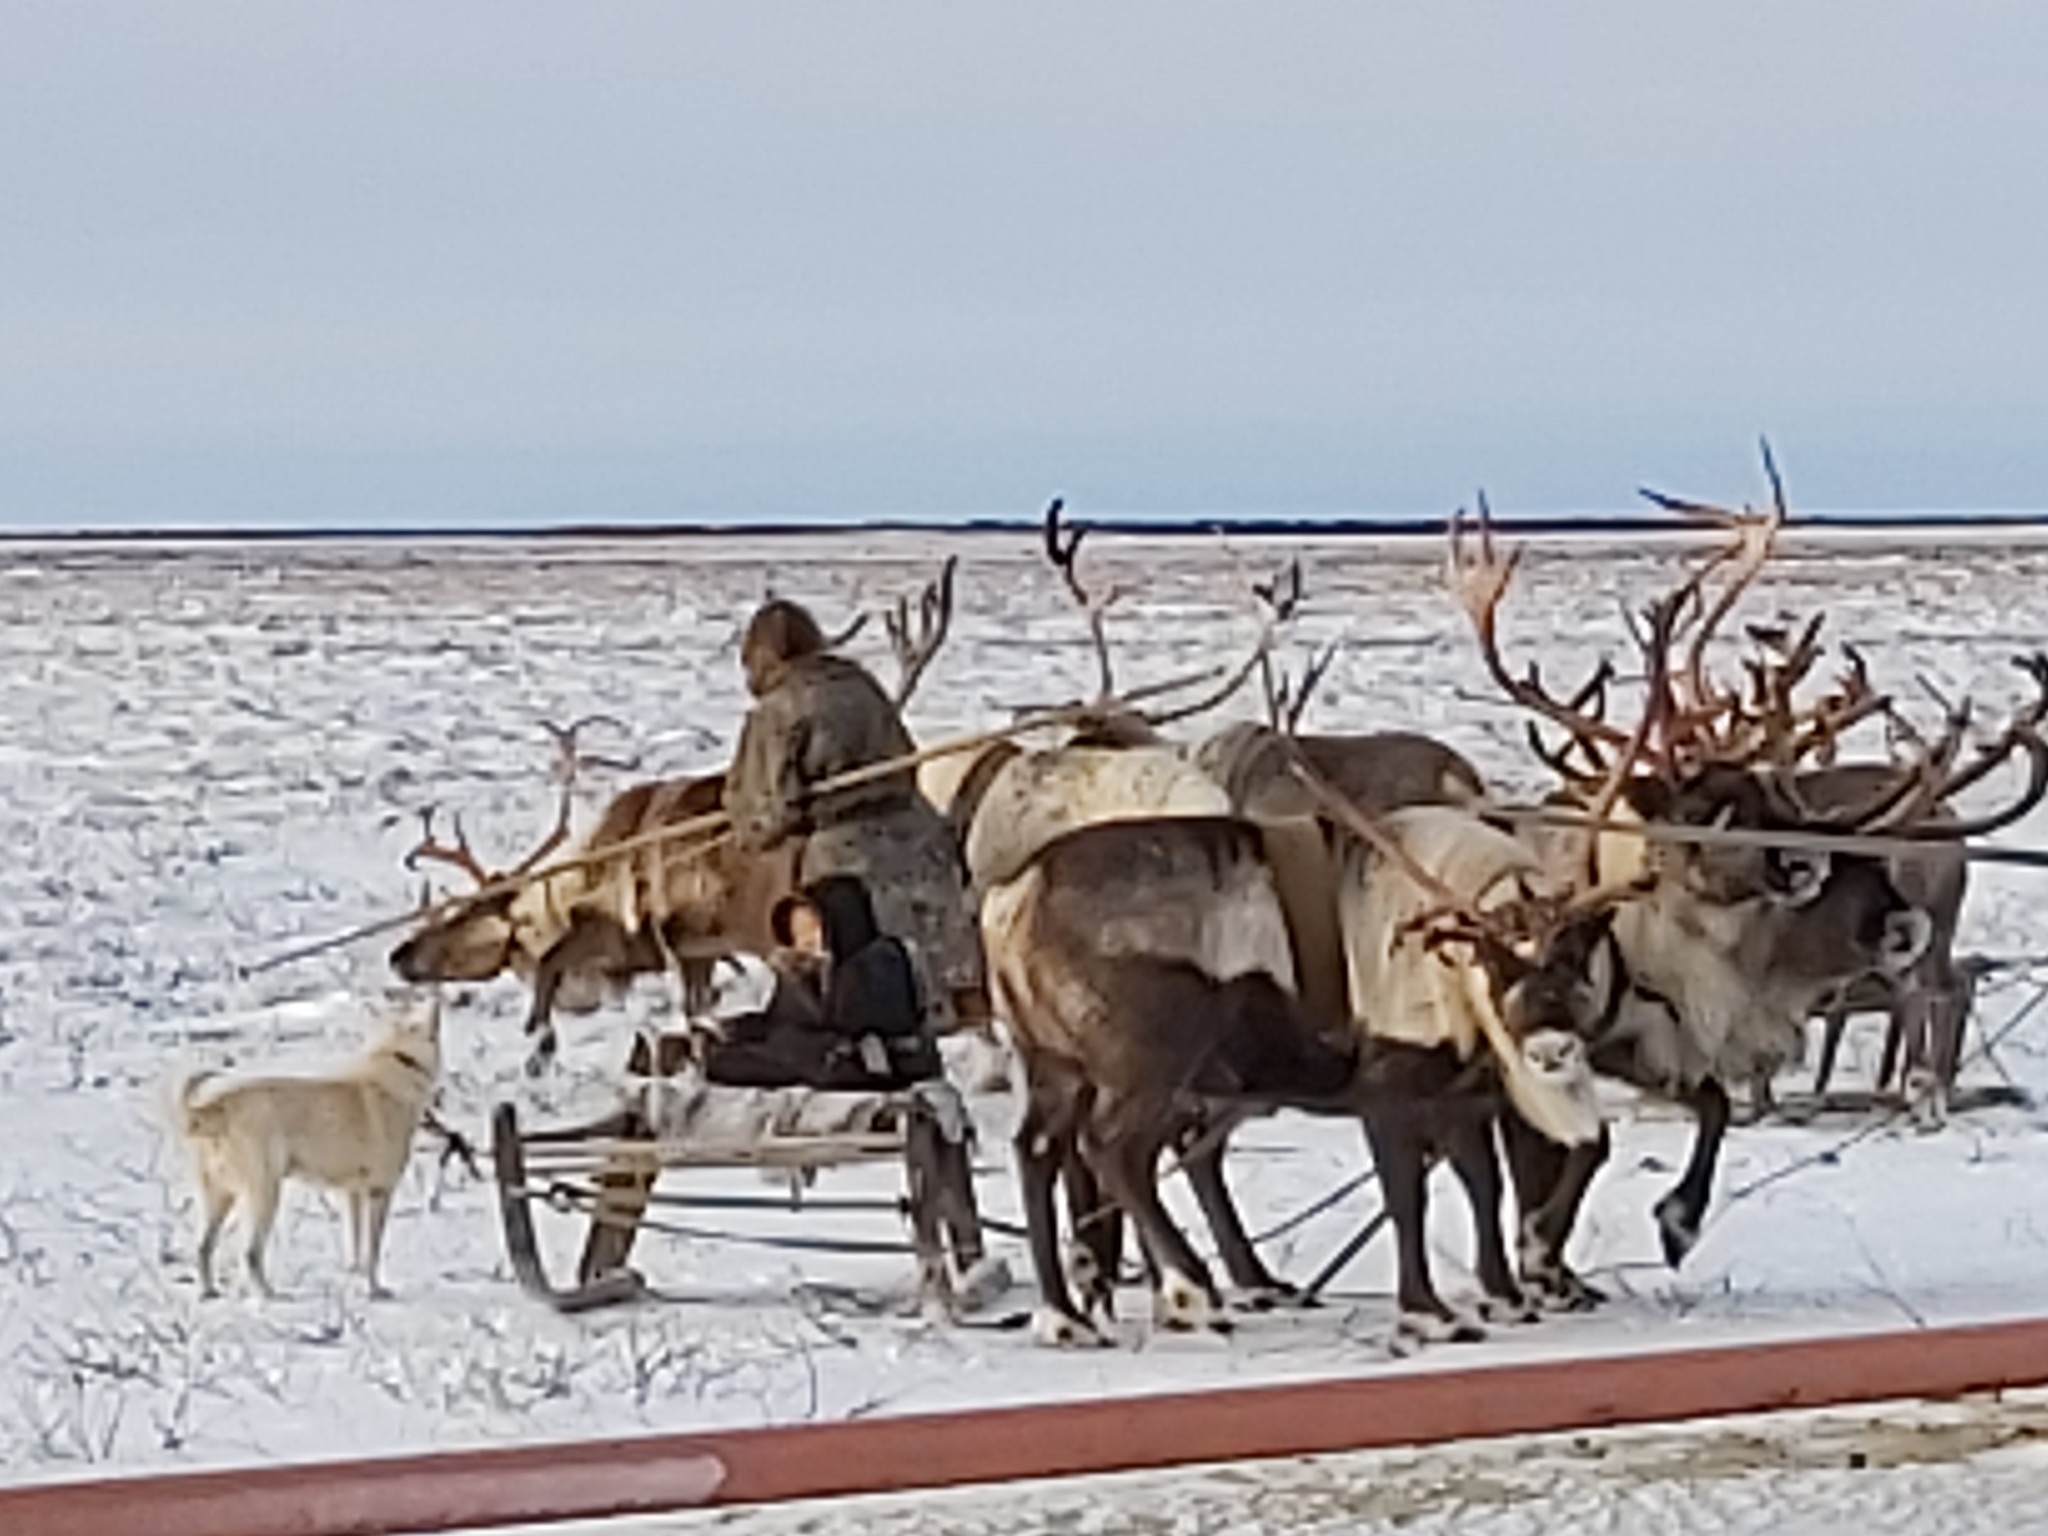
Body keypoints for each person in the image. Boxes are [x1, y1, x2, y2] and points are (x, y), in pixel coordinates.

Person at [722, 597, 984, 1031]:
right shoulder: (862, 685)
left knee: (862, 992)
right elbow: (905, 756)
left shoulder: (778, 711)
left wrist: (748, 821)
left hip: (846, 861)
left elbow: (766, 813)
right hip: (920, 841)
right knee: (932, 976)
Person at [701, 876, 941, 1090]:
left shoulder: (878, 961)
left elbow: (850, 1024)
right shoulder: (827, 976)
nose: (806, 943)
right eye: (798, 937)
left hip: (873, 1067)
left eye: (813, 930)